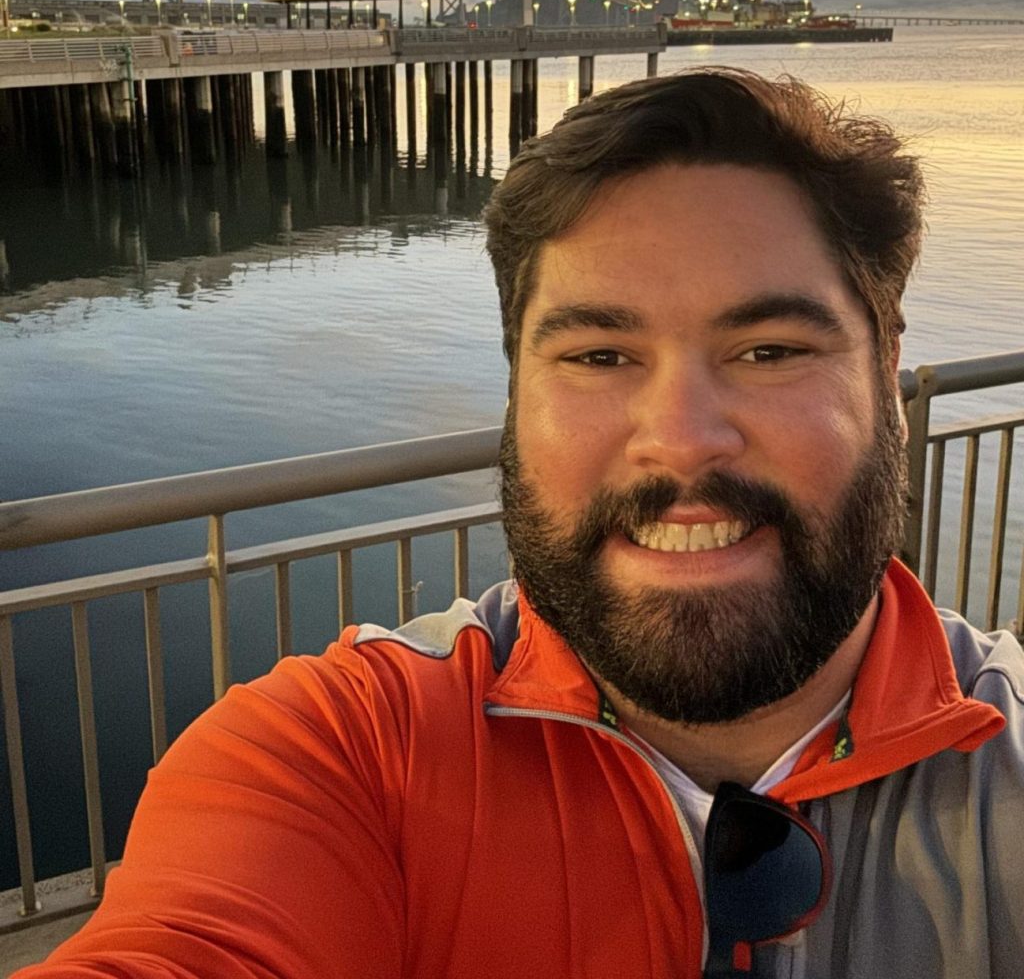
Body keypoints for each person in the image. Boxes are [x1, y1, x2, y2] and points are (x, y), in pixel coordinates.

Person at [17, 68, 1023, 978]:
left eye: (767, 350)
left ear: (885, 368)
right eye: (596, 356)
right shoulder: (339, 756)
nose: (678, 442)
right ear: (514, 392)